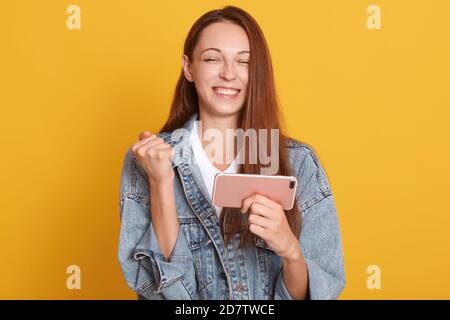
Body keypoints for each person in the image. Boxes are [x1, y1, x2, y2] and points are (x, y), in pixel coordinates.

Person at [118, 5, 345, 300]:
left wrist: (290, 250)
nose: (228, 74)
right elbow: (160, 293)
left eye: (244, 62)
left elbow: (320, 292)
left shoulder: (299, 163)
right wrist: (161, 184)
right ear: (189, 67)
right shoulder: (147, 161)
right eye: (213, 58)